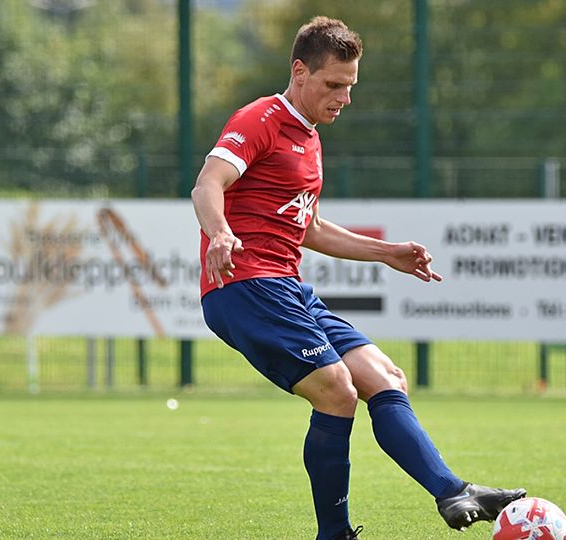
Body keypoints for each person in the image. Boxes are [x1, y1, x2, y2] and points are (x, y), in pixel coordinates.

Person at [191, 16, 525, 540]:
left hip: (287, 287)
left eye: (350, 86)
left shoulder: (310, 138)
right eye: (333, 84)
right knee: (337, 391)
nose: (344, 98)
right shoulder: (261, 118)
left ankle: (452, 490)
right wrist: (220, 233)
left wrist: (386, 253)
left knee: (385, 377)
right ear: (299, 72)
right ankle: (335, 533)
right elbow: (208, 184)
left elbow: (309, 228)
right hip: (245, 285)